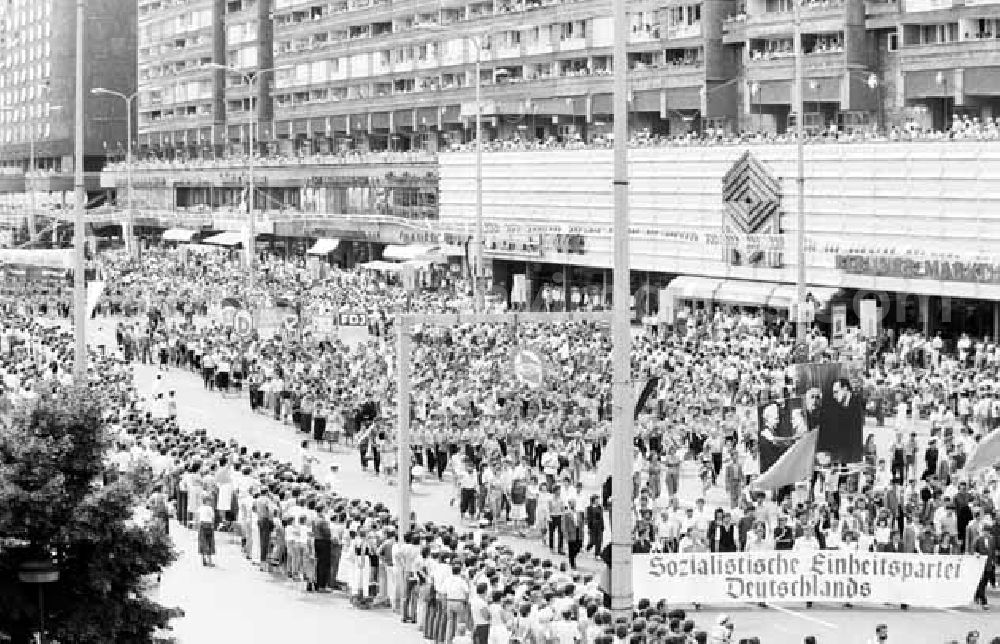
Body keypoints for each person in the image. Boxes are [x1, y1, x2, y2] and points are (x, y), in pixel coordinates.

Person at [197, 496, 216, 567]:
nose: (210, 502)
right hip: (209, 525)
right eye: (209, 501)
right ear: (207, 501)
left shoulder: (200, 508)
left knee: (202, 542)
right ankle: (210, 561)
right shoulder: (210, 508)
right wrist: (213, 526)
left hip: (202, 525)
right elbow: (213, 518)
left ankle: (203, 559)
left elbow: (198, 517)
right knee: (209, 542)